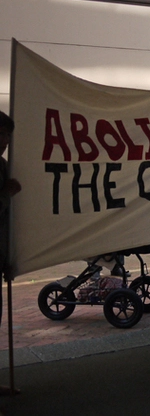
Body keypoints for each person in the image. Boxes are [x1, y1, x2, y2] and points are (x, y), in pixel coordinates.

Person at [0, 111, 21, 396]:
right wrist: (6, 192)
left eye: (6, 135)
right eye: (0, 134)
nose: (5, 141)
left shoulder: (3, 165)